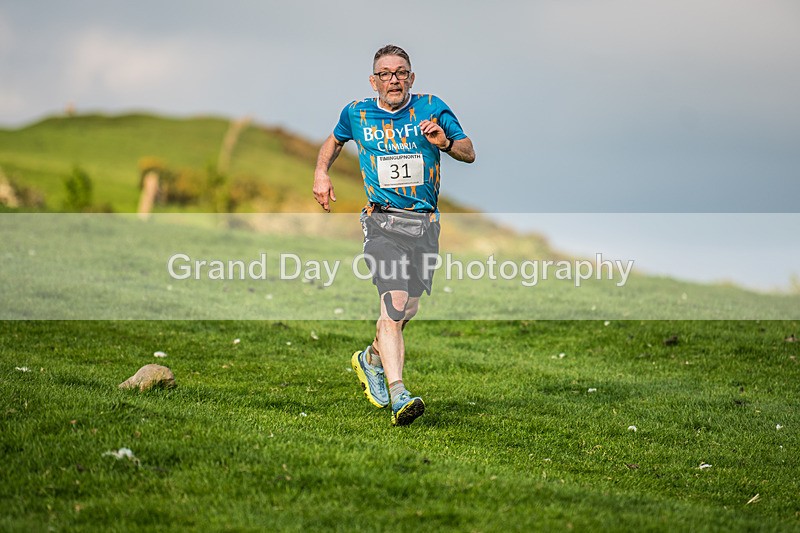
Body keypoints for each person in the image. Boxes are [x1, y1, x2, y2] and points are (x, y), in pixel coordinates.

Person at [313, 44, 475, 426]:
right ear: (374, 81)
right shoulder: (356, 113)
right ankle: (399, 393)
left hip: (425, 225)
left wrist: (445, 143)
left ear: (412, 78)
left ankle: (370, 358)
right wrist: (321, 173)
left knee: (409, 309)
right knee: (395, 300)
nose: (394, 80)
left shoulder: (432, 107)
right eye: (385, 74)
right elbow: (333, 141)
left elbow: (469, 152)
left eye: (401, 72)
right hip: (381, 222)